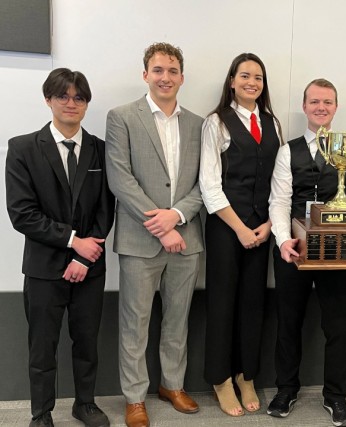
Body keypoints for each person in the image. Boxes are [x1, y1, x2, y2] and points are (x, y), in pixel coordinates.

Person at [6, 68, 114, 427]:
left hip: (90, 267)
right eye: (63, 96)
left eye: (79, 97)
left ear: (86, 104)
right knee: (42, 347)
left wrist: (84, 254)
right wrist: (73, 241)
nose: (71, 103)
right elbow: (22, 214)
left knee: (86, 343)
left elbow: (105, 209)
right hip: (43, 268)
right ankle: (41, 413)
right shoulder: (21, 148)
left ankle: (85, 404)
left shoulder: (100, 149)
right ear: (48, 100)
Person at [267, 78, 346, 426]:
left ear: (335, 107)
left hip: (338, 252)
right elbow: (279, 200)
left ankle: (335, 396)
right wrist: (283, 240)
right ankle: (286, 389)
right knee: (289, 323)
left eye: (327, 102)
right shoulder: (288, 150)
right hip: (294, 251)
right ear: (304, 106)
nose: (321, 108)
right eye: (314, 102)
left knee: (339, 326)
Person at [105, 42, 204, 427]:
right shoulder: (122, 117)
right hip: (139, 241)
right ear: (145, 74)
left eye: (173, 70)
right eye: (158, 70)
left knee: (178, 320)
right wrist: (161, 227)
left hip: (187, 239)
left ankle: (172, 385)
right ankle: (134, 397)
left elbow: (206, 184)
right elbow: (120, 178)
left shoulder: (199, 124)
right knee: (135, 322)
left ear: (182, 77)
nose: (166, 77)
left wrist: (177, 215)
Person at [199, 52, 281, 417]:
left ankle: (246, 374)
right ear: (232, 81)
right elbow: (209, 185)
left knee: (253, 304)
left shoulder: (272, 122)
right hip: (226, 229)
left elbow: (277, 180)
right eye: (245, 76)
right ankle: (220, 380)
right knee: (222, 305)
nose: (252, 82)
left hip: (261, 230)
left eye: (258, 78)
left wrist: (267, 226)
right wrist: (241, 229)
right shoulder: (216, 122)